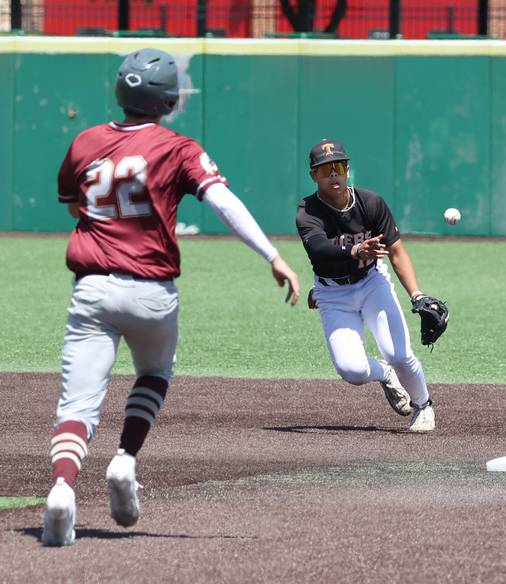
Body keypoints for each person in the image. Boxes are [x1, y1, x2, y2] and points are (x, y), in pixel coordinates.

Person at [41, 48, 301, 546]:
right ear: (168, 99)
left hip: (92, 289)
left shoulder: (85, 141)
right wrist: (272, 255)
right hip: (151, 293)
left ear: (121, 91)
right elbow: (223, 201)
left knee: (77, 405)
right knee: (155, 373)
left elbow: (75, 206)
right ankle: (125, 459)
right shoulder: (177, 147)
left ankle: (61, 490)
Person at [295, 139, 436, 433]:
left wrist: (417, 294)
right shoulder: (307, 211)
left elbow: (396, 252)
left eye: (339, 166)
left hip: (372, 282)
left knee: (398, 353)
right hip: (332, 293)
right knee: (352, 371)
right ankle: (383, 373)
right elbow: (320, 249)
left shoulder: (371, 203)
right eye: (325, 169)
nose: (334, 174)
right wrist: (355, 252)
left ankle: (423, 405)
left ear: (347, 170)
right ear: (313, 176)